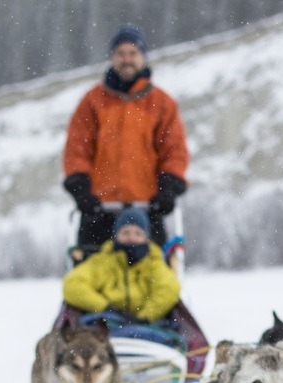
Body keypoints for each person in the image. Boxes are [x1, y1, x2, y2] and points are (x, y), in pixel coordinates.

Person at [62, 24, 189, 248]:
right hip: (99, 210)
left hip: (147, 210)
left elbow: (174, 150)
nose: (126, 59)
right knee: (90, 277)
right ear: (112, 57)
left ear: (143, 57)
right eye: (120, 54)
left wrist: (169, 187)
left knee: (154, 277)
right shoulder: (92, 102)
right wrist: (80, 188)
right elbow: (77, 149)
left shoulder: (161, 103)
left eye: (133, 53)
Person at [62, 208, 180, 324]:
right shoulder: (101, 261)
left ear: (146, 238)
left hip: (148, 325)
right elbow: (73, 285)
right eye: (126, 232)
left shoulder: (154, 263)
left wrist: (145, 317)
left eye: (138, 233)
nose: (131, 238)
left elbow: (168, 289)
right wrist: (106, 308)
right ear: (115, 236)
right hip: (105, 323)